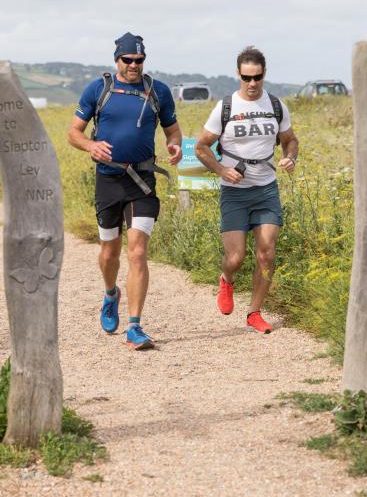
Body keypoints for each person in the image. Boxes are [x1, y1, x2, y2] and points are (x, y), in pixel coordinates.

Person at [68, 32, 182, 350]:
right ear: (117, 60)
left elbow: (172, 128)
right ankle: (110, 294)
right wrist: (91, 145)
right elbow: (73, 133)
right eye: (128, 60)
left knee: (138, 252)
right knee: (109, 253)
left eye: (139, 60)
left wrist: (174, 146)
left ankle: (135, 326)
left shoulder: (157, 91)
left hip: (142, 181)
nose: (134, 65)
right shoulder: (99, 89)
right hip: (108, 180)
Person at [194, 46, 299, 333]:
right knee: (236, 258)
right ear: (238, 75)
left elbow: (290, 139)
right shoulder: (226, 107)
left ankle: (254, 312)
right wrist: (221, 170)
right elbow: (202, 147)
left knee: (266, 253)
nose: (252, 84)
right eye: (246, 78)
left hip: (266, 189)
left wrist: (290, 156)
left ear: (265, 74)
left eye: (258, 78)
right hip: (234, 191)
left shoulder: (276, 105)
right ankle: (226, 279)